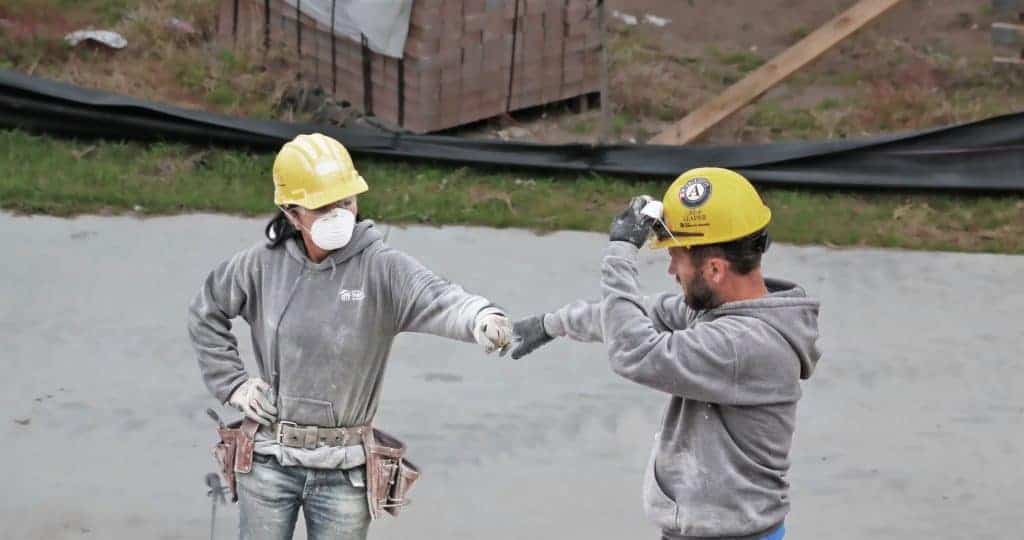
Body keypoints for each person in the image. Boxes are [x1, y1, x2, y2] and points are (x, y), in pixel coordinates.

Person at [188, 133, 513, 540]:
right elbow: (206, 311)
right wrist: (232, 383)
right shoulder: (260, 266)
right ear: (292, 213)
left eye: (346, 202)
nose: (339, 214)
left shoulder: (380, 268)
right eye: (323, 206)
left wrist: (481, 316)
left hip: (344, 473)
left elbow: (439, 297)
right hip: (269, 460)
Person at [511, 167, 821, 540]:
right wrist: (551, 323)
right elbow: (636, 314)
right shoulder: (722, 313)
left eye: (676, 258)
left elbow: (635, 350)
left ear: (716, 269)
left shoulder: (744, 345)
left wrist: (621, 253)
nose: (671, 270)